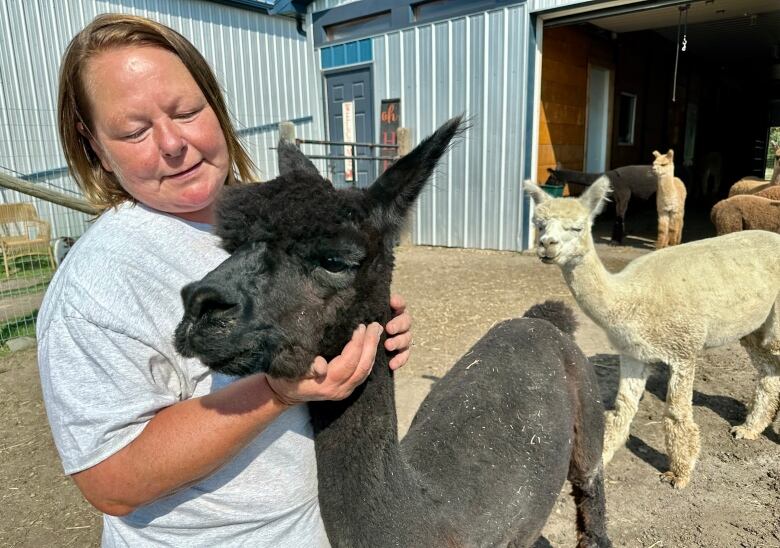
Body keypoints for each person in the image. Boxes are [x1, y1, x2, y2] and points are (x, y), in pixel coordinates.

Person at [37, 13, 413, 547]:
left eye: (187, 111)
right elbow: (110, 481)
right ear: (94, 144)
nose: (173, 144)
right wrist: (276, 392)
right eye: (134, 130)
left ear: (214, 103)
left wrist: (370, 326)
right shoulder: (96, 289)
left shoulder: (274, 214)